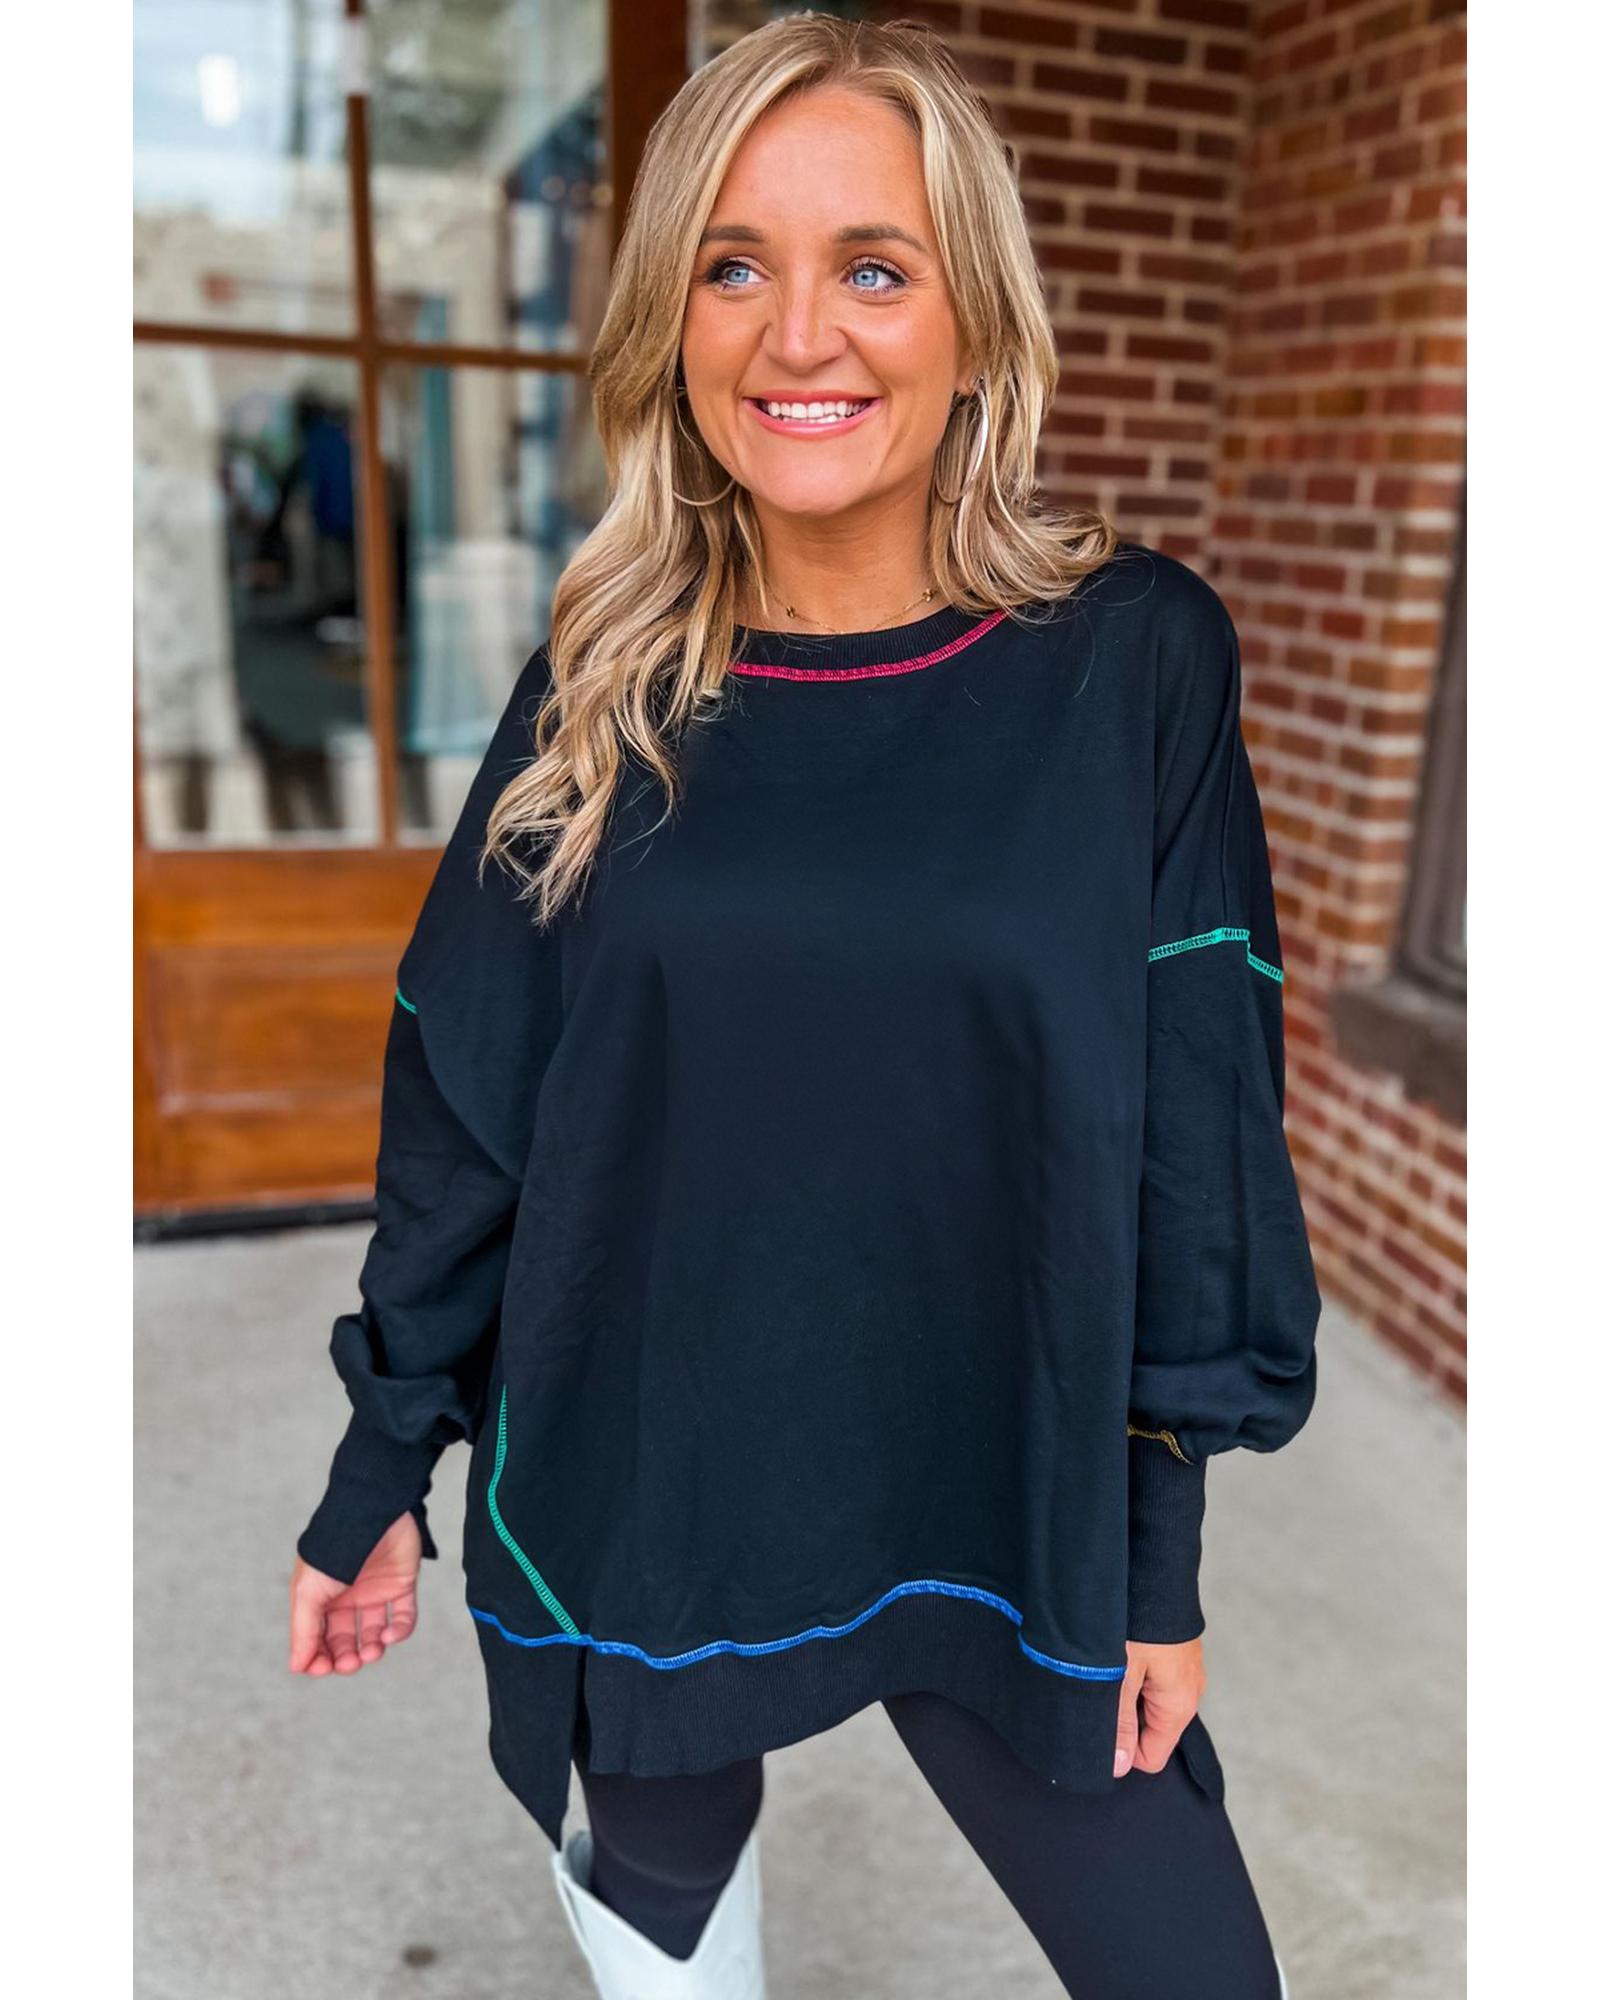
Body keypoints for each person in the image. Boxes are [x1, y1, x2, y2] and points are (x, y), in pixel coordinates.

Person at [286, 17, 1319, 1999]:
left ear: (974, 318)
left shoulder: (1133, 666)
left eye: (874, 266)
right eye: (732, 266)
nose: (798, 336)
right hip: (647, 1461)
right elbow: (472, 1109)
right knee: (663, 1896)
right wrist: (378, 1463)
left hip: (991, 1461)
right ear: (670, 323)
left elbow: (1197, 1132)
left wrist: (1153, 1552)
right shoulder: (598, 686)